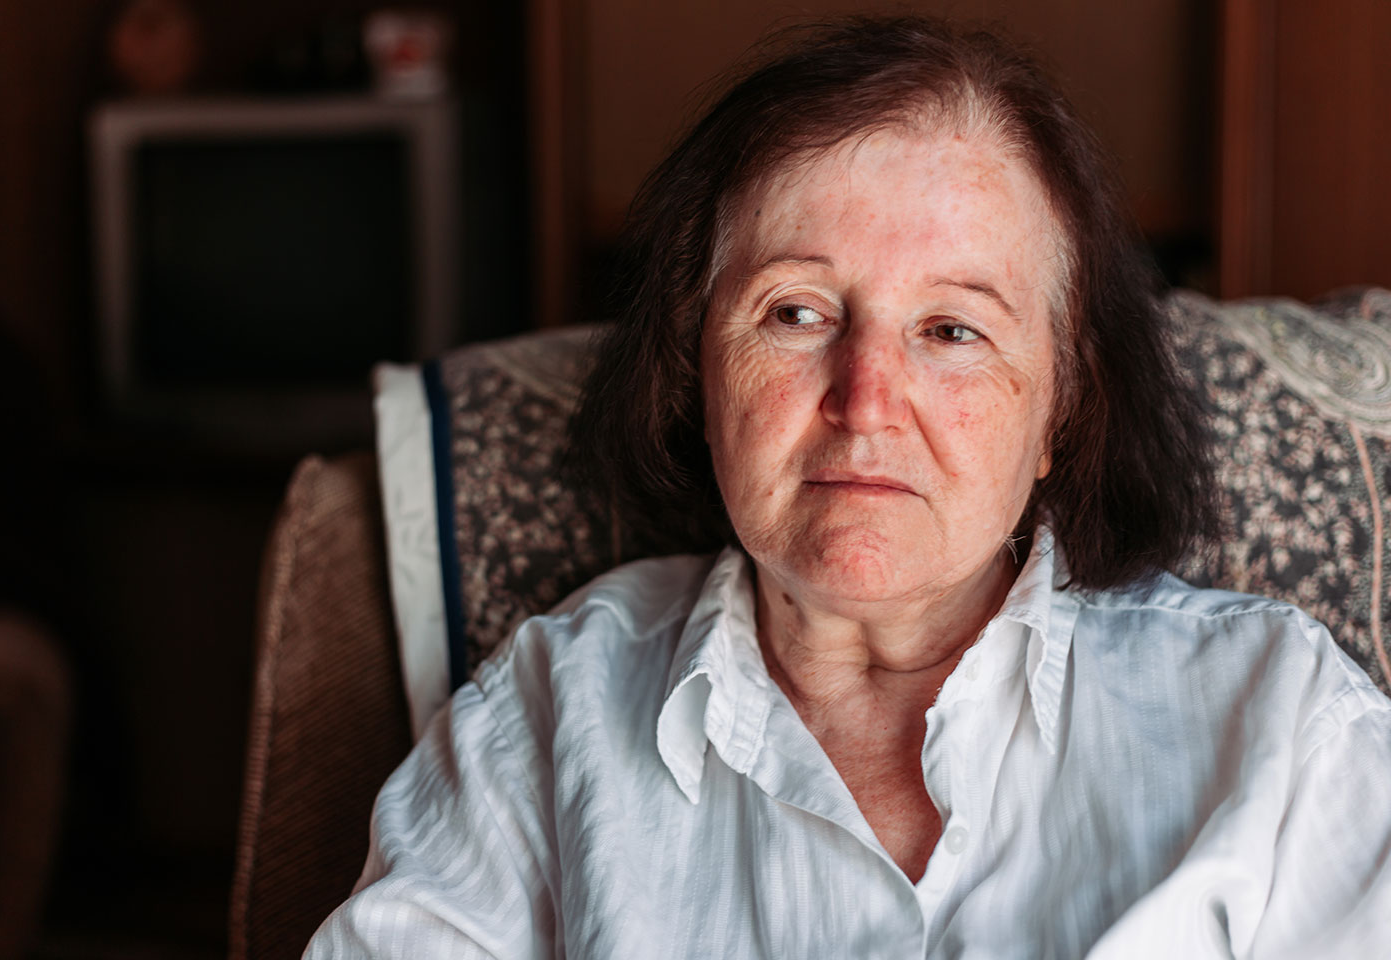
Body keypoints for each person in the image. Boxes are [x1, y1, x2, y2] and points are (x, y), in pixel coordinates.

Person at [306, 16, 1391, 958]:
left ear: (1062, 411)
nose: (866, 402)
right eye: (796, 313)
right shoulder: (549, 718)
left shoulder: (1280, 724)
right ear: (695, 372)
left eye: (952, 330)